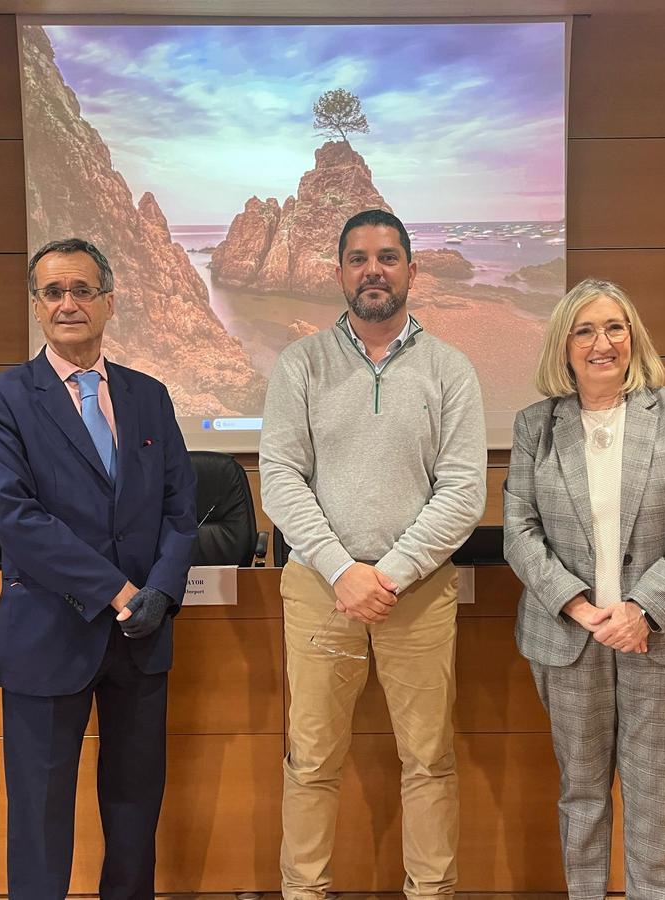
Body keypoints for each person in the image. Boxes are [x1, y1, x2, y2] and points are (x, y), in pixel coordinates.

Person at [260, 208, 487, 900]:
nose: (373, 271)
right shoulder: (300, 364)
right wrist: (341, 569)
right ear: (338, 274)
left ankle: (432, 893)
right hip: (319, 590)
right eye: (358, 259)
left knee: (429, 759)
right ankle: (303, 892)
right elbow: (279, 478)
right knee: (311, 760)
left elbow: (464, 491)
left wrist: (385, 576)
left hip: (416, 594)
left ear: (411, 270)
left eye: (388, 257)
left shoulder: (450, 369)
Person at [0, 237, 197, 899]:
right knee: (40, 816)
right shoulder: (0, 400)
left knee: (134, 808)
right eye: (53, 292)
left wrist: (159, 591)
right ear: (38, 305)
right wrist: (119, 590)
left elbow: (182, 507)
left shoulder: (149, 396)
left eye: (82, 291)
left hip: (142, 637)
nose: (68, 303)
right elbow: (17, 519)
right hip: (48, 632)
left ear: (108, 302)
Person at [503, 277, 665, 900]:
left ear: (634, 338)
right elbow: (519, 531)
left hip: (663, 639)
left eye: (614, 327)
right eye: (584, 330)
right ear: (563, 346)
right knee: (581, 794)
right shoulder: (536, 426)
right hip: (568, 639)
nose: (601, 342)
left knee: (655, 797)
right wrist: (580, 606)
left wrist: (642, 610)